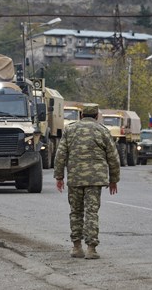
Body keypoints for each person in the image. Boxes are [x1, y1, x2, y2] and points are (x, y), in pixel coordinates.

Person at [54, 103, 120, 259]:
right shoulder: (103, 131)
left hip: (75, 178)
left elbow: (60, 155)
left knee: (75, 212)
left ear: (81, 115)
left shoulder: (70, 130)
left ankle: (76, 247)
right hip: (95, 180)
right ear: (97, 116)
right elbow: (113, 158)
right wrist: (114, 180)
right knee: (91, 213)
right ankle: (91, 249)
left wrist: (59, 177)